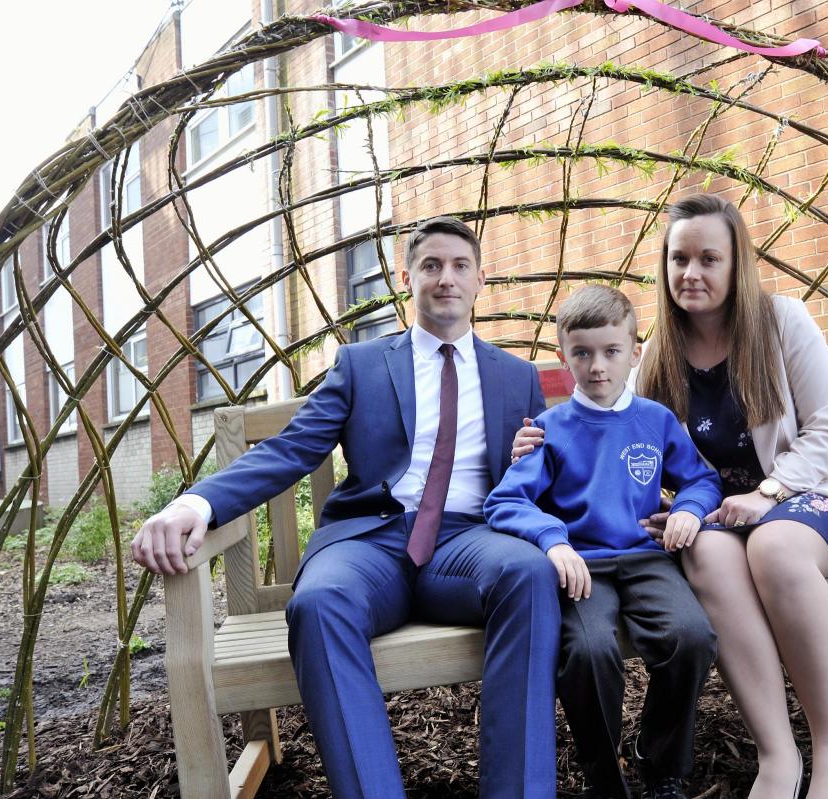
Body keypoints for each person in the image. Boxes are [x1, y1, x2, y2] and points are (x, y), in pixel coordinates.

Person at [131, 216, 561, 799]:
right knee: (319, 603)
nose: (445, 278)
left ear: (481, 279)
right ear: (406, 277)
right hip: (371, 545)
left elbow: (541, 476)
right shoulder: (361, 366)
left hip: (467, 543)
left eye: (460, 266)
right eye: (430, 265)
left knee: (529, 574)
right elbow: (291, 449)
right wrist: (198, 502)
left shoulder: (517, 377)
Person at [514, 194, 828, 799]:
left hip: (809, 492)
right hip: (718, 512)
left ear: (735, 263)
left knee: (773, 547)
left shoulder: (782, 322)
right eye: (679, 258)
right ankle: (777, 755)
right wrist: (536, 444)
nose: (691, 272)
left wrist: (770, 491)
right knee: (705, 552)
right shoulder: (658, 350)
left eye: (708, 258)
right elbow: (613, 422)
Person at [486, 285, 721, 799]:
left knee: (692, 636)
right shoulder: (548, 430)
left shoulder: (656, 420)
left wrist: (687, 508)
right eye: (582, 353)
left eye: (612, 352)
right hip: (582, 565)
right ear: (562, 356)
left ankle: (662, 766)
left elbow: (702, 480)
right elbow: (505, 501)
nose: (597, 366)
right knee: (589, 651)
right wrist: (554, 541)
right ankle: (604, 778)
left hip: (645, 559)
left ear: (634, 352)